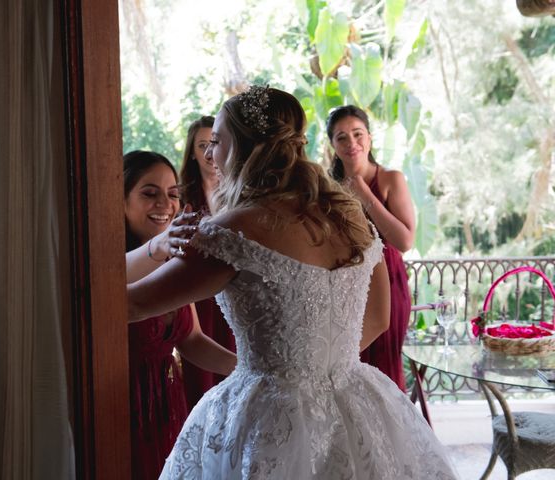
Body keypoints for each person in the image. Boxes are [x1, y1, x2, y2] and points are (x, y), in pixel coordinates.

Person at [127, 88, 457, 478]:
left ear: (244, 147)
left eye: (217, 141)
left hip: (271, 418)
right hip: (357, 400)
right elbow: (379, 318)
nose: (210, 155)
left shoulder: (232, 232)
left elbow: (127, 306)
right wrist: (317, 367)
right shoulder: (351, 218)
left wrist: (155, 248)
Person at [122, 150, 237, 480]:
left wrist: (247, 367)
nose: (164, 204)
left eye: (172, 194)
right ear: (121, 200)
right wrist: (156, 248)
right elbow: (108, 294)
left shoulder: (172, 262)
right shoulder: (101, 262)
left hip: (168, 403)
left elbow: (192, 339)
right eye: (149, 193)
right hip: (120, 405)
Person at [326, 105, 415, 392]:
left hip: (388, 282)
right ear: (333, 146)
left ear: (370, 138)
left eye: (357, 134)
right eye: (342, 137)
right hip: (345, 287)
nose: (352, 143)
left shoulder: (391, 179)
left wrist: (365, 195)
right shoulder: (327, 188)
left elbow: (404, 241)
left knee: (385, 373)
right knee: (346, 371)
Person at [178, 115, 237, 408]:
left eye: (213, 143)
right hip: (196, 296)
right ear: (191, 152)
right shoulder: (180, 197)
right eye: (201, 145)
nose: (208, 152)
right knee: (200, 377)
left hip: (233, 294)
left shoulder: (240, 195)